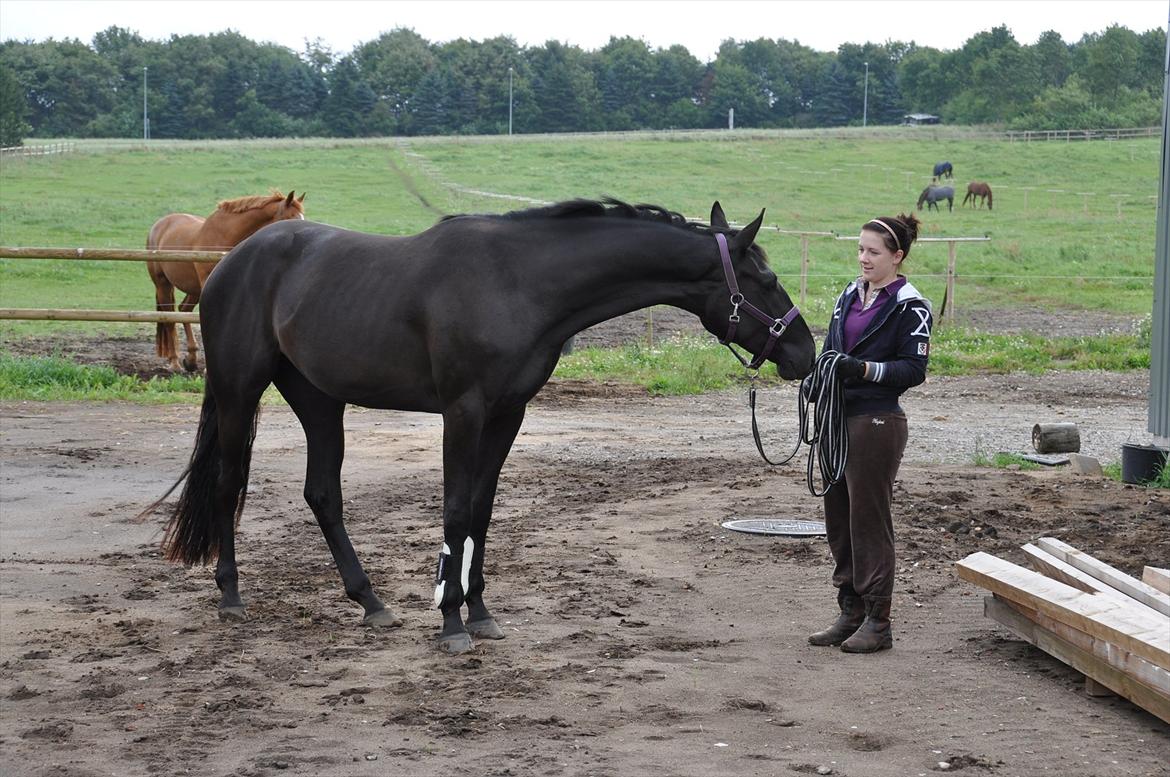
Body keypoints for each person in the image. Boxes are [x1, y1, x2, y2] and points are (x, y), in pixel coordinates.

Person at [808, 213, 932, 653]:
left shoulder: (910, 305)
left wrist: (861, 369)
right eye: (860, 249)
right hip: (838, 418)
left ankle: (879, 620)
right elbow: (830, 348)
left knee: (868, 519)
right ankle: (851, 610)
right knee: (838, 517)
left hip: (877, 421)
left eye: (873, 252)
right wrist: (818, 379)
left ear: (897, 257)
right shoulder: (849, 294)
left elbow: (913, 369)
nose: (863, 258)